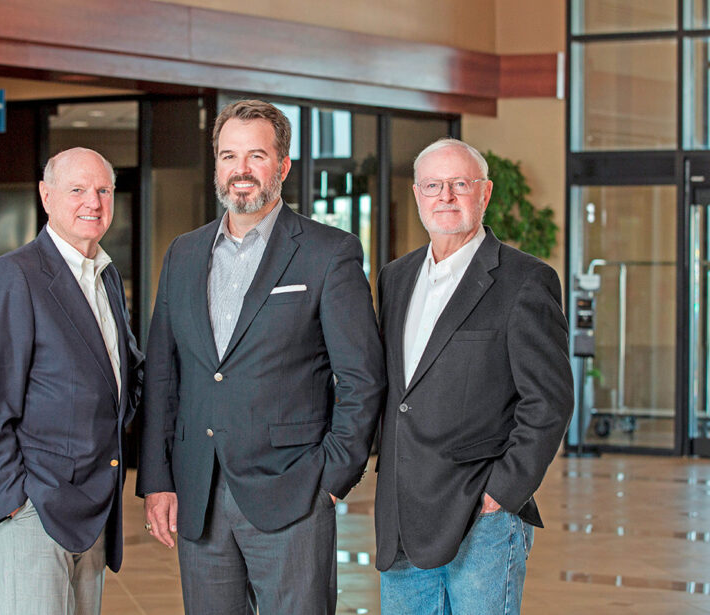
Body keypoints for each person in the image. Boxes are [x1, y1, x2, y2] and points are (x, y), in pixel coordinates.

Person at [136, 99, 385, 614]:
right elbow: (163, 375)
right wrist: (158, 480)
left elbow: (363, 379)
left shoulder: (327, 252)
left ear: (283, 165)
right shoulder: (183, 253)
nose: (241, 170)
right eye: (229, 156)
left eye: (256, 155)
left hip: (293, 490)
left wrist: (332, 479)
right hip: (199, 493)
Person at [373, 138, 573, 614]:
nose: (446, 195)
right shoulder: (394, 278)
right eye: (433, 185)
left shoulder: (525, 281)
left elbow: (548, 402)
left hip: (480, 515)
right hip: (402, 514)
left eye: (459, 184)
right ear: (418, 194)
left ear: (483, 195)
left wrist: (501, 494)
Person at [0, 147, 143, 615]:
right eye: (77, 190)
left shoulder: (104, 276)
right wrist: (12, 503)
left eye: (103, 190)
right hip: (34, 511)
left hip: (94, 510)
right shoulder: (13, 278)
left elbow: (123, 381)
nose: (94, 202)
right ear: (46, 196)